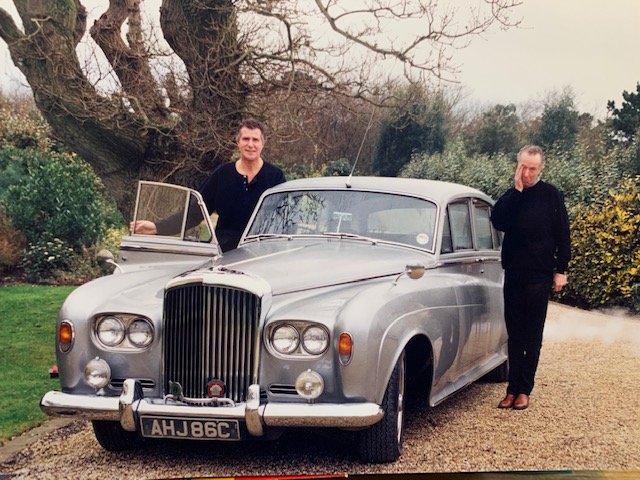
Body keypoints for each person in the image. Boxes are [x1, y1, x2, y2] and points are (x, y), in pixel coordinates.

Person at [490, 145, 571, 410]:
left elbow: (563, 234)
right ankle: (511, 390)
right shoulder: (512, 195)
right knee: (514, 335)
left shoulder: (551, 195)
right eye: (522, 167)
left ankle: (525, 389)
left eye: (531, 169)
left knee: (532, 334)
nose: (526, 173)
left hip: (539, 274)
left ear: (540, 169)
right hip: (513, 272)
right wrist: (516, 191)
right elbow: (499, 221)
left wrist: (562, 269)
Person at [131, 118, 286, 252]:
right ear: (238, 142)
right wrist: (158, 227)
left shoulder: (275, 176)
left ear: (262, 144)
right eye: (246, 139)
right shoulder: (222, 174)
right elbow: (195, 212)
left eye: (255, 140)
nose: (250, 144)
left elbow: (284, 218)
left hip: (261, 251)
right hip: (224, 253)